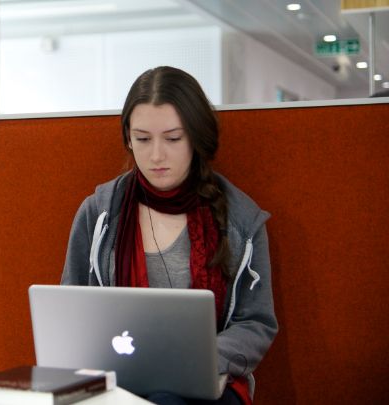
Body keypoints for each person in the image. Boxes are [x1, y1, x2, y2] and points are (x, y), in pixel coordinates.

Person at [60, 66, 278, 405]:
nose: (156, 155)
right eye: (143, 139)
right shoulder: (99, 214)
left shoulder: (240, 221)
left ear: (196, 138)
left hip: (206, 378)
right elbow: (70, 311)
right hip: (118, 379)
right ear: (128, 138)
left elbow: (256, 322)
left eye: (173, 139)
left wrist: (202, 360)